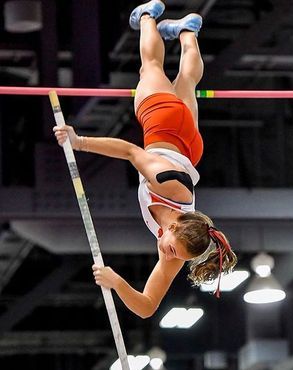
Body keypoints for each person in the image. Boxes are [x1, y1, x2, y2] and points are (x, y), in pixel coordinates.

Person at [53, 0, 237, 319]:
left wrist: (116, 282)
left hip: (189, 148)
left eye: (174, 254)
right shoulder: (165, 181)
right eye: (171, 246)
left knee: (187, 84)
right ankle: (149, 15)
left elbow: (147, 307)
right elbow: (129, 151)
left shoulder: (178, 249)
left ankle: (187, 32)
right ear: (178, 224)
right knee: (149, 67)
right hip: (163, 124)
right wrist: (78, 141)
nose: (167, 252)